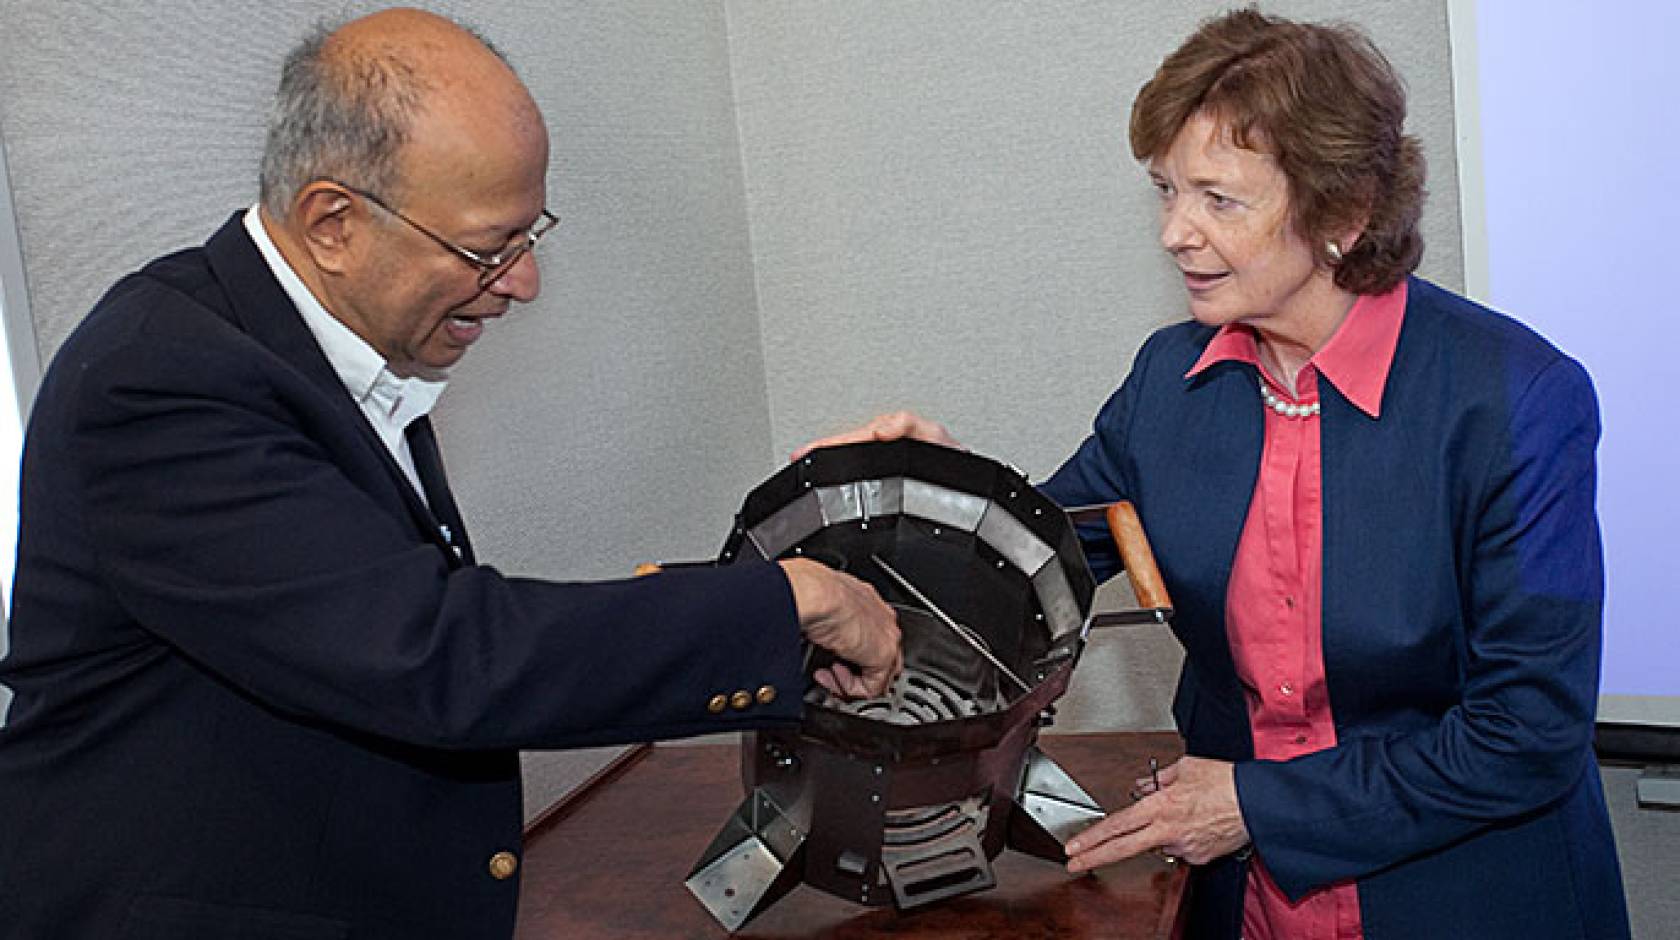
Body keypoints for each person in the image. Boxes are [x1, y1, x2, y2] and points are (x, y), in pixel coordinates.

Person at [0, 9, 901, 939]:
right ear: (333, 221)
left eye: (529, 235)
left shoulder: (336, 354)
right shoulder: (161, 379)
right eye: (487, 249)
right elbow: (438, 655)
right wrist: (783, 599)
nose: (522, 283)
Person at [800, 10, 1629, 939]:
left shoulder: (1516, 401)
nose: (1174, 234)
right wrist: (935, 492)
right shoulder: (1169, 384)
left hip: (1467, 900)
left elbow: (1529, 734)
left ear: (1343, 215)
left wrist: (1255, 806)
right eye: (1165, 191)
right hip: (1239, 902)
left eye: (1217, 200)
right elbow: (1031, 567)